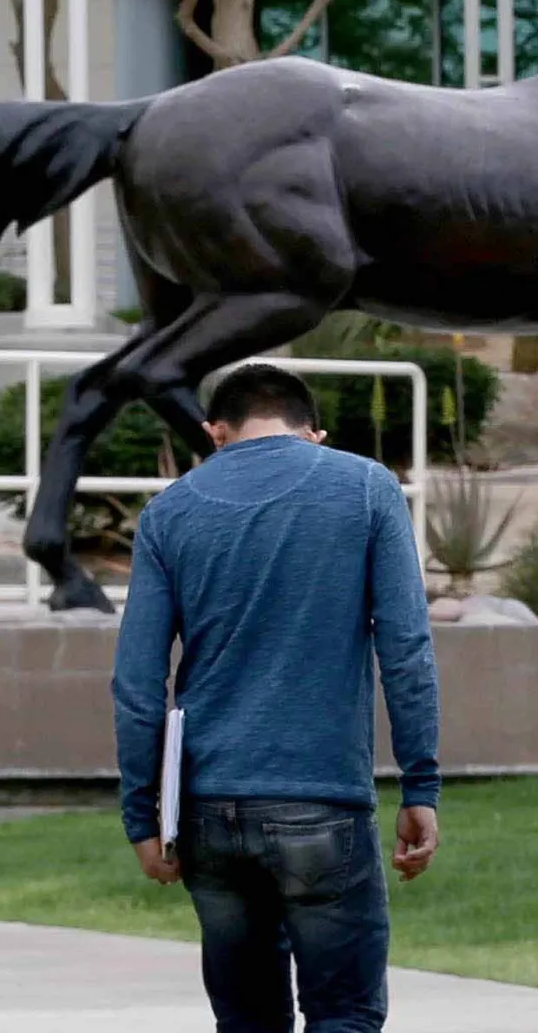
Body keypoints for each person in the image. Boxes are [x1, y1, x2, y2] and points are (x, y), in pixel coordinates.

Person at [112, 363, 442, 1033]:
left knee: (247, 1021)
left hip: (208, 811)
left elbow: (137, 682)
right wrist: (420, 785)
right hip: (324, 803)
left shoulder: (169, 512)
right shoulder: (367, 489)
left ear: (215, 432)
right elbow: (406, 650)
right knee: (344, 1015)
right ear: (313, 432)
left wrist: (143, 820)